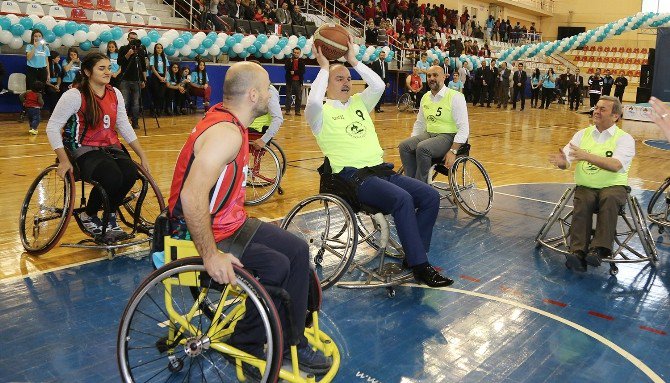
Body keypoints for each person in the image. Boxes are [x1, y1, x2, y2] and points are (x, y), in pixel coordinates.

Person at [167, 61, 331, 375]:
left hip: (229, 224)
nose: (273, 93)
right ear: (254, 95)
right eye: (269, 87)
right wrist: (211, 255)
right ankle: (247, 342)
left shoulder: (232, 124)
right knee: (276, 265)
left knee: (297, 250)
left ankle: (291, 340)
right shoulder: (225, 134)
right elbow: (191, 195)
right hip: (194, 233)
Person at [306, 40, 454, 288]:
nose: (345, 82)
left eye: (347, 78)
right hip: (353, 179)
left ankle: (414, 255)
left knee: (429, 196)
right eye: (338, 79)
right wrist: (323, 68)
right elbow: (311, 103)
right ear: (326, 85)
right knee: (402, 200)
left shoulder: (359, 103)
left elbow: (377, 84)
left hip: (381, 172)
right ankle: (420, 266)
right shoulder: (320, 113)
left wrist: (354, 61)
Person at [46, 53, 149, 239]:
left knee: (130, 174)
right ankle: (89, 214)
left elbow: (124, 125)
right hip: (82, 147)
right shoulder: (74, 95)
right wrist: (63, 160)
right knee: (112, 176)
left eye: (109, 68)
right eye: (101, 68)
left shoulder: (115, 93)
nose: (107, 72)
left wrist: (142, 154)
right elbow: (52, 127)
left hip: (110, 145)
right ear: (87, 71)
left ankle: (110, 214)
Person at [548, 96, 633, 272]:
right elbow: (567, 161)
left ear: (615, 116)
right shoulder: (581, 135)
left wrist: (586, 156)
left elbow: (616, 165)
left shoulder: (624, 139)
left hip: (613, 187)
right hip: (586, 186)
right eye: (596, 107)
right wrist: (562, 162)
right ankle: (577, 252)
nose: (596, 111)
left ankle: (599, 249)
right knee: (583, 200)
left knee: (609, 199)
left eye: (603, 109)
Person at [399, 64, 469, 185]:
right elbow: (420, 123)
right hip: (429, 134)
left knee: (423, 148)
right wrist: (413, 140)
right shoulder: (425, 97)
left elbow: (464, 128)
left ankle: (421, 188)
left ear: (443, 77)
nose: (431, 78)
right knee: (404, 146)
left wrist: (453, 151)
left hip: (448, 136)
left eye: (435, 75)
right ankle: (412, 184)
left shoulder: (455, 97)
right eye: (429, 75)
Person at [118, 31, 147, 130]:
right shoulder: (123, 49)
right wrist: (128, 54)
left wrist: (144, 79)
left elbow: (143, 66)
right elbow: (119, 62)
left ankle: (135, 122)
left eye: (135, 39)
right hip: (125, 79)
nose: (133, 41)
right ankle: (123, 123)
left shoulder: (141, 50)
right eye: (131, 39)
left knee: (136, 103)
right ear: (128, 39)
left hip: (137, 79)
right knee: (125, 102)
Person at [149, 43, 169, 116]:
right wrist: (159, 77)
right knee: (156, 94)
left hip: (163, 77)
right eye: (158, 48)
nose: (159, 49)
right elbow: (153, 68)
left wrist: (165, 77)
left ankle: (159, 110)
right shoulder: (152, 57)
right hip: (155, 77)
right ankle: (154, 110)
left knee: (162, 95)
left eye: (161, 48)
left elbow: (166, 68)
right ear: (155, 49)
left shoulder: (164, 58)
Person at [284, 47, 305, 116]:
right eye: (295, 52)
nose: (296, 54)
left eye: (297, 53)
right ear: (293, 52)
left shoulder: (301, 61)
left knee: (298, 96)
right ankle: (287, 110)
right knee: (288, 96)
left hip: (298, 81)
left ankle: (297, 111)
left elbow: (303, 71)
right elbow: (286, 68)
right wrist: (291, 61)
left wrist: (295, 72)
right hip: (289, 81)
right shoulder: (289, 60)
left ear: (299, 53)